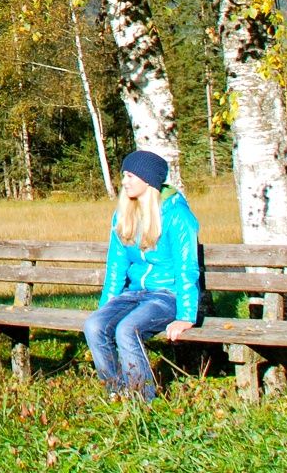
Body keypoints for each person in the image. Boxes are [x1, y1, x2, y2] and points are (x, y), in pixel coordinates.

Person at [84, 149, 200, 400]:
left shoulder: (177, 215)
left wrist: (186, 315)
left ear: (147, 180)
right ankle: (115, 392)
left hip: (166, 296)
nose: (124, 182)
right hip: (134, 293)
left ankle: (142, 398)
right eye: (124, 176)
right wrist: (106, 306)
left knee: (127, 329)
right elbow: (116, 265)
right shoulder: (124, 214)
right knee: (94, 325)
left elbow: (186, 268)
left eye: (130, 176)